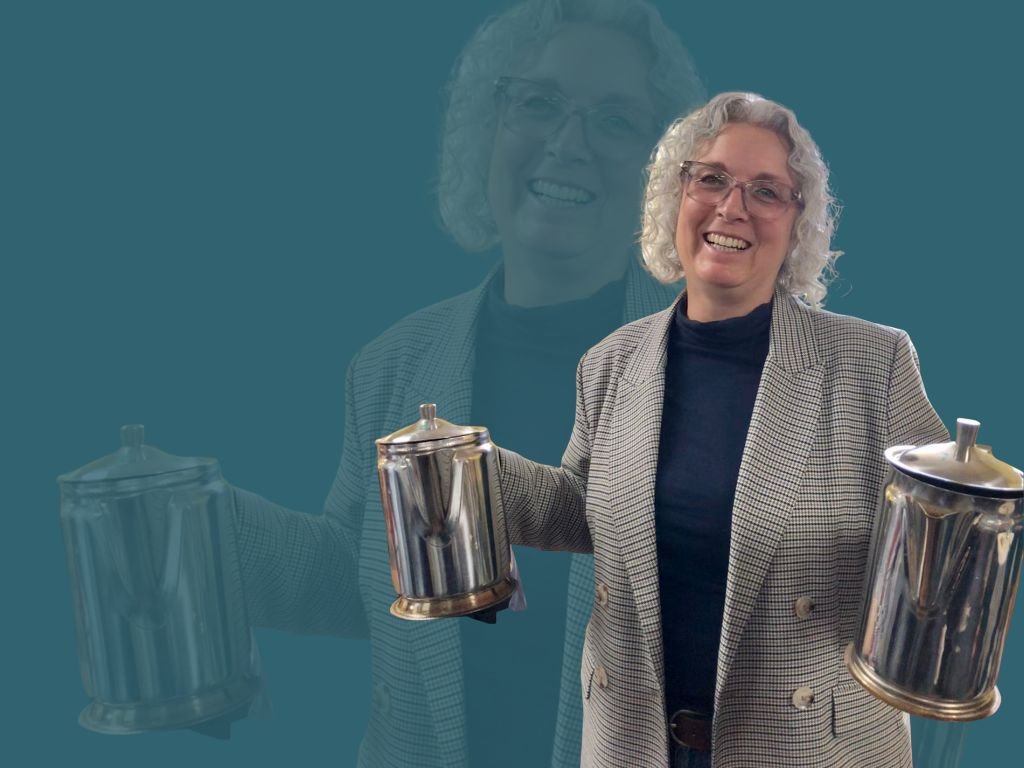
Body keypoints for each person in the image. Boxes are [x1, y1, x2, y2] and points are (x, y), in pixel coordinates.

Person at [231, 1, 703, 766]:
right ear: (487, 127)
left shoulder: (725, 365)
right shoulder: (392, 365)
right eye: (538, 103)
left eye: (615, 122)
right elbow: (356, 582)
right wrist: (207, 524)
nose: (567, 143)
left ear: (667, 176)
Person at [493, 91, 950, 768]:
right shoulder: (611, 362)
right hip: (636, 744)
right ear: (677, 196)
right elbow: (585, 510)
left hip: (805, 748)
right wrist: (473, 466)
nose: (731, 208)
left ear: (799, 224)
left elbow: (938, 531)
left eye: (766, 191)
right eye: (710, 178)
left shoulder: (872, 363)